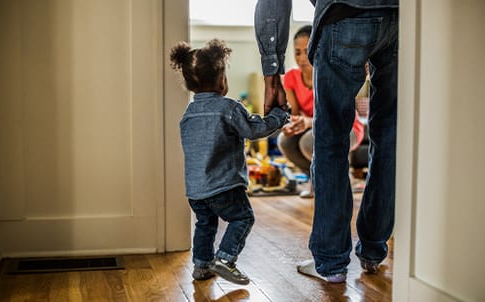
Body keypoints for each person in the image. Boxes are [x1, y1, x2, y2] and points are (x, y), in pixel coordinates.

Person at [255, 0, 398, 283]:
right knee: (390, 136)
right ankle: (373, 252)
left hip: (345, 13)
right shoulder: (298, 77)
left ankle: (331, 262)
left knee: (331, 139)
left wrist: (271, 76)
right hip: (401, 16)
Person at [169, 39, 289, 285]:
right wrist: (278, 116)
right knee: (242, 218)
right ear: (221, 80)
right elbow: (254, 130)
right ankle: (225, 259)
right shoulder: (228, 108)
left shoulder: (187, 115)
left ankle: (201, 266)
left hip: (196, 191)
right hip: (224, 185)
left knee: (205, 224)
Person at [277, 25, 364, 198]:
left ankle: (341, 179)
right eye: (297, 52)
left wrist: (307, 122)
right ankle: (315, 181)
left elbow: (333, 117)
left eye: (307, 50)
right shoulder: (290, 78)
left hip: (346, 128)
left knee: (308, 142)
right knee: (284, 140)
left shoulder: (329, 74)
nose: (302, 58)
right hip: (315, 126)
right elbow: (294, 113)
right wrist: (291, 125)